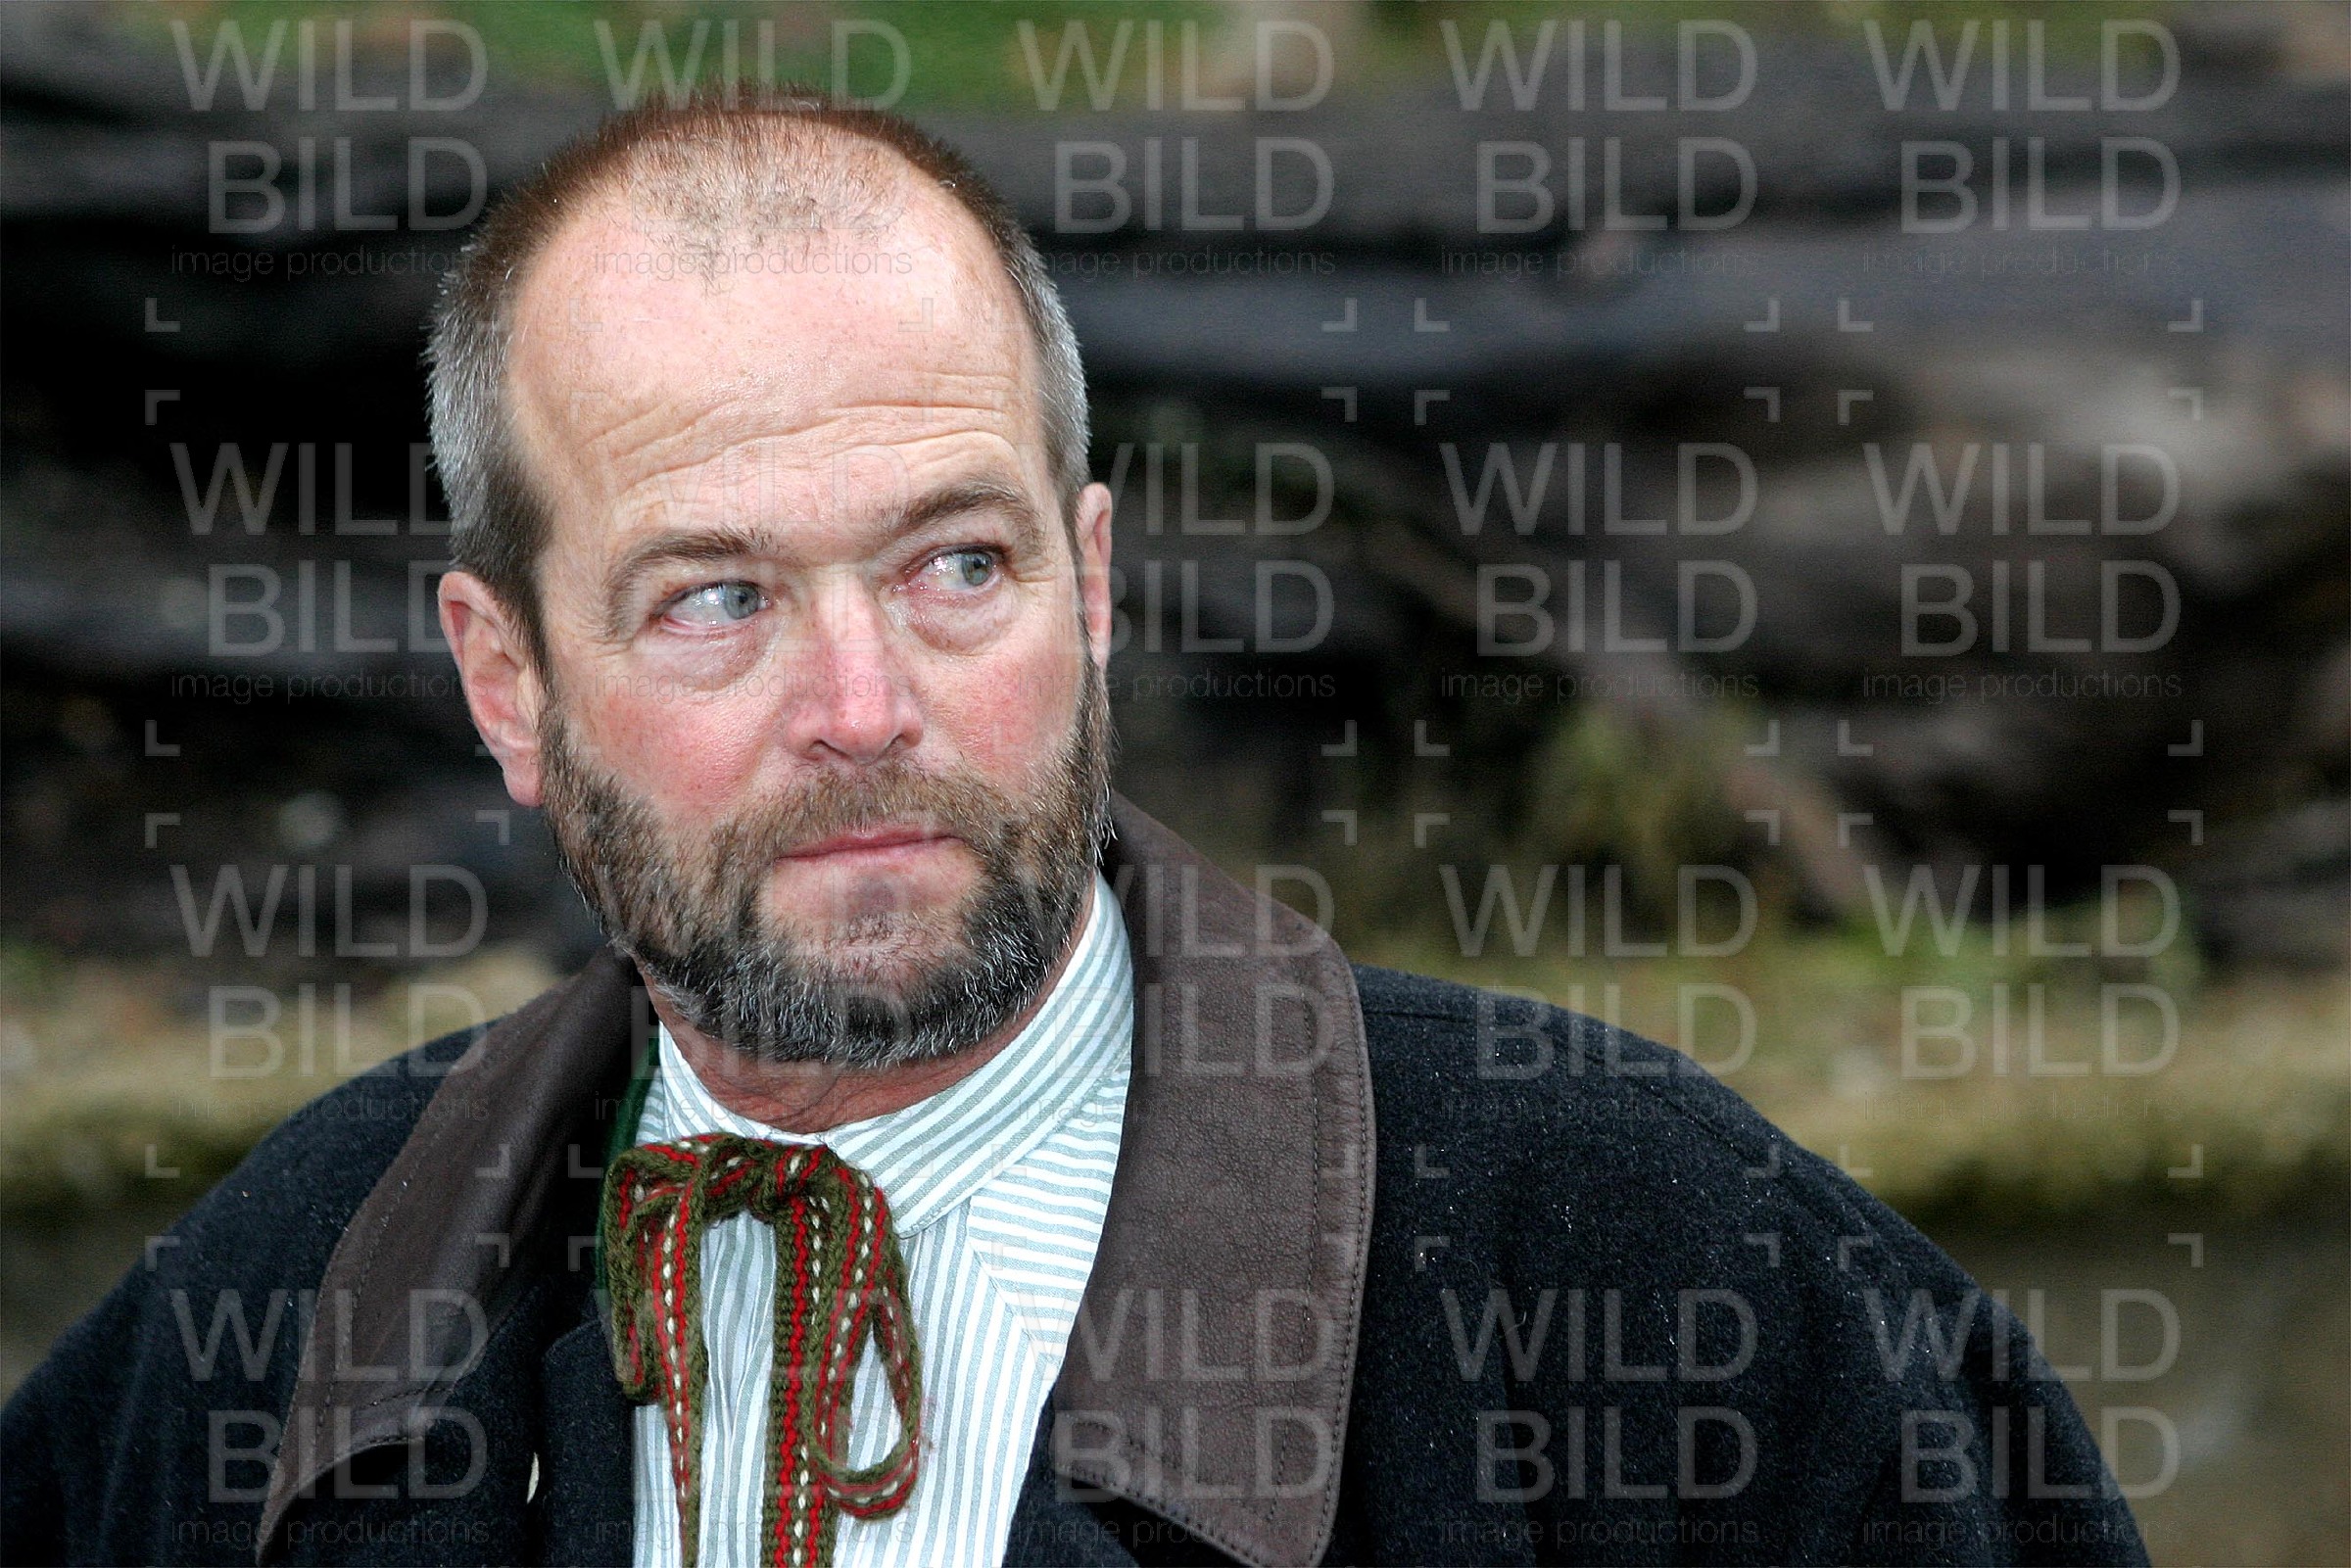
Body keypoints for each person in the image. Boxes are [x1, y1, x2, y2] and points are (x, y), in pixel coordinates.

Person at [2, 90, 2148, 1568]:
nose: (867, 710)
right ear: (508, 686)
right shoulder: (277, 1327)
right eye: (717, 600)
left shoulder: (1665, 1278)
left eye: (958, 565)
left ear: (1093, 582)